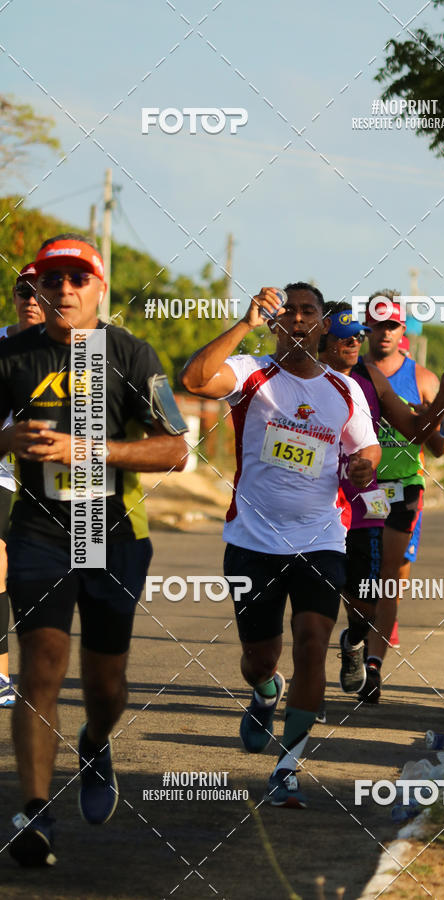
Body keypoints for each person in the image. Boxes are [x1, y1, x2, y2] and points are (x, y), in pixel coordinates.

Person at [0, 234, 188, 867]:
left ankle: (95, 738)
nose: (63, 291)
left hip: (112, 535)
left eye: (77, 280)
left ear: (98, 289)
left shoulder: (130, 355)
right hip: (39, 532)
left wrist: (89, 450)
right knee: (41, 665)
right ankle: (33, 811)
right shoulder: (14, 355)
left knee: (106, 684)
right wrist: (6, 438)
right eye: (52, 280)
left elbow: (174, 449)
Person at [181, 283, 381, 808]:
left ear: (322, 325)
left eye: (307, 311)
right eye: (287, 310)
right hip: (252, 539)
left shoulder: (345, 388)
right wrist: (245, 322)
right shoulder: (251, 373)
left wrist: (365, 465)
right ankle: (264, 691)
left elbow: (367, 446)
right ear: (276, 323)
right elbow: (194, 379)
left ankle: (288, 765)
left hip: (322, 538)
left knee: (313, 642)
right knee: (259, 658)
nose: (296, 318)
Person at [318, 304, 444, 701]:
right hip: (315, 504)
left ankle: (359, 645)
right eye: (349, 336)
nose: (356, 342)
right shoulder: (297, 376)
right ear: (322, 338)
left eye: (358, 335)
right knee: (315, 596)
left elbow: (416, 431)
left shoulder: (368, 375)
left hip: (371, 499)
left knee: (372, 592)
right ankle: (308, 694)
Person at [361, 291, 444, 701]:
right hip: (357, 489)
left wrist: (432, 423)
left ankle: (373, 667)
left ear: (402, 330)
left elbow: (439, 447)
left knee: (391, 576)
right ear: (366, 327)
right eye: (377, 326)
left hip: (402, 487)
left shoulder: (422, 379)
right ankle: (360, 634)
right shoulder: (349, 371)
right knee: (356, 580)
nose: (384, 334)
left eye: (392, 326)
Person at [0, 263, 45, 709]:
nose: (30, 299)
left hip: (56, 483)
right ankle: (0, 671)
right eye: (22, 291)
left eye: (39, 291)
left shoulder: (79, 349)